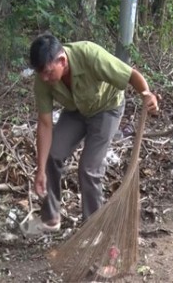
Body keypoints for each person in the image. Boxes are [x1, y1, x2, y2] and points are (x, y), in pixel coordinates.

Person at [21, 34, 159, 235]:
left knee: (89, 168)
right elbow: (44, 124)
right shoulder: (44, 77)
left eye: (49, 73)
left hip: (106, 109)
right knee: (53, 154)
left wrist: (146, 94)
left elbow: (131, 75)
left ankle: (93, 229)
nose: (44, 78)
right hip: (76, 110)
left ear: (62, 60)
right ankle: (51, 218)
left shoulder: (90, 54)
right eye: (41, 73)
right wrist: (40, 169)